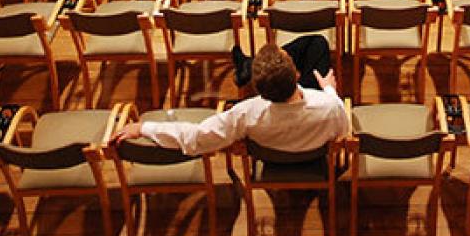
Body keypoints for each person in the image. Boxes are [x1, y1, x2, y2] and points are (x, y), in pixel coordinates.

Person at [109, 42, 349, 157]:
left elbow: (195, 138)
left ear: (259, 91)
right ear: (297, 75)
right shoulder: (330, 105)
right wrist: (329, 90)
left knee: (315, 43)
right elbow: (343, 134)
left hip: (272, 159)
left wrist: (143, 127)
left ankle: (247, 64)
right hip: (314, 158)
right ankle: (248, 63)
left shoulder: (245, 113)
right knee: (317, 44)